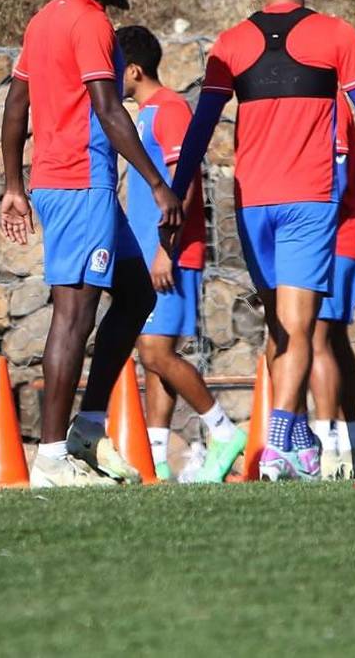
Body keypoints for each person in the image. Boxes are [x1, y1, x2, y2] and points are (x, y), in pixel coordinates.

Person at [170, 0, 355, 481]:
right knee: (298, 330)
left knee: (280, 328)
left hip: (253, 203)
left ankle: (295, 443)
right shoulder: (336, 35)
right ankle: (277, 444)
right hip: (307, 201)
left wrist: (175, 188)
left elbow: (202, 126)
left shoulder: (229, 43)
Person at [0, 0, 182, 488]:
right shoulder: (91, 24)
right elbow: (110, 110)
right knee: (74, 315)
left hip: (69, 183)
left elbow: (15, 106)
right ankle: (51, 460)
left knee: (132, 292)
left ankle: (87, 429)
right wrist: (156, 183)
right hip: (80, 184)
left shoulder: (44, 19)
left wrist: (13, 184)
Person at [118, 25, 246, 482]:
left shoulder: (169, 110)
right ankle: (154, 462)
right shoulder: (145, 114)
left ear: (132, 69)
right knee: (152, 355)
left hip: (169, 256)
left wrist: (164, 251)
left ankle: (224, 431)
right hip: (150, 255)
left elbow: (184, 185)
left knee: (155, 352)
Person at [308, 90, 355, 480]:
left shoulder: (331, 102)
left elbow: (338, 176)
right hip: (332, 235)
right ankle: (352, 447)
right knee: (335, 341)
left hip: (333, 236)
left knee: (316, 338)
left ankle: (328, 451)